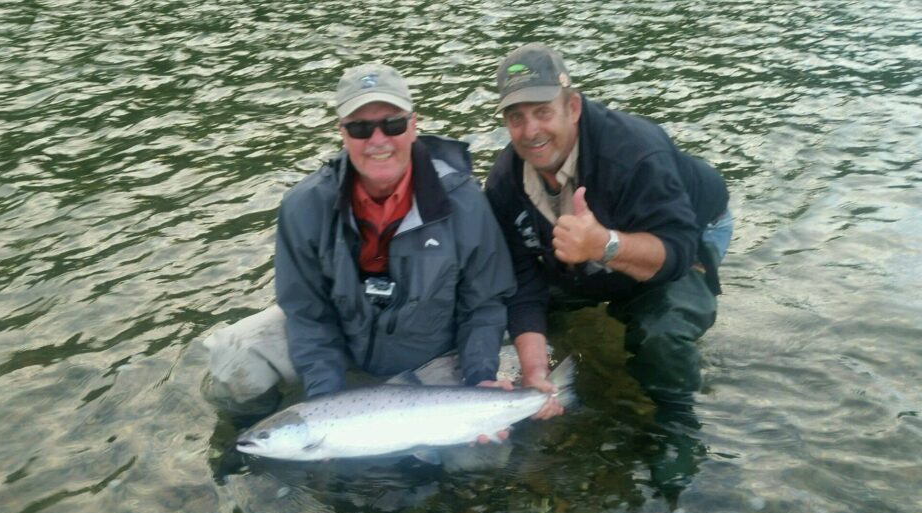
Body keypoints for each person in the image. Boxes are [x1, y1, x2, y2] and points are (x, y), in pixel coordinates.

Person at [204, 63, 516, 426]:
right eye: (360, 127)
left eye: (393, 124)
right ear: (342, 133)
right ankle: (249, 441)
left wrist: (480, 379)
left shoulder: (464, 202)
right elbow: (308, 314)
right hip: (343, 341)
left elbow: (484, 307)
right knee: (233, 358)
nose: (378, 140)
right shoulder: (303, 206)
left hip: (428, 358)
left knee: (477, 457)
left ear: (414, 126)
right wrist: (325, 405)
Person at [484, 44, 733, 416]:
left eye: (542, 112)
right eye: (516, 117)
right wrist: (536, 373)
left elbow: (678, 250)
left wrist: (603, 245)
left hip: (691, 228)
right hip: (592, 243)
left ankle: (676, 419)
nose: (531, 131)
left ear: (572, 108)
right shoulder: (505, 184)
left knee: (661, 330)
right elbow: (523, 283)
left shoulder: (634, 154)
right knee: (528, 307)